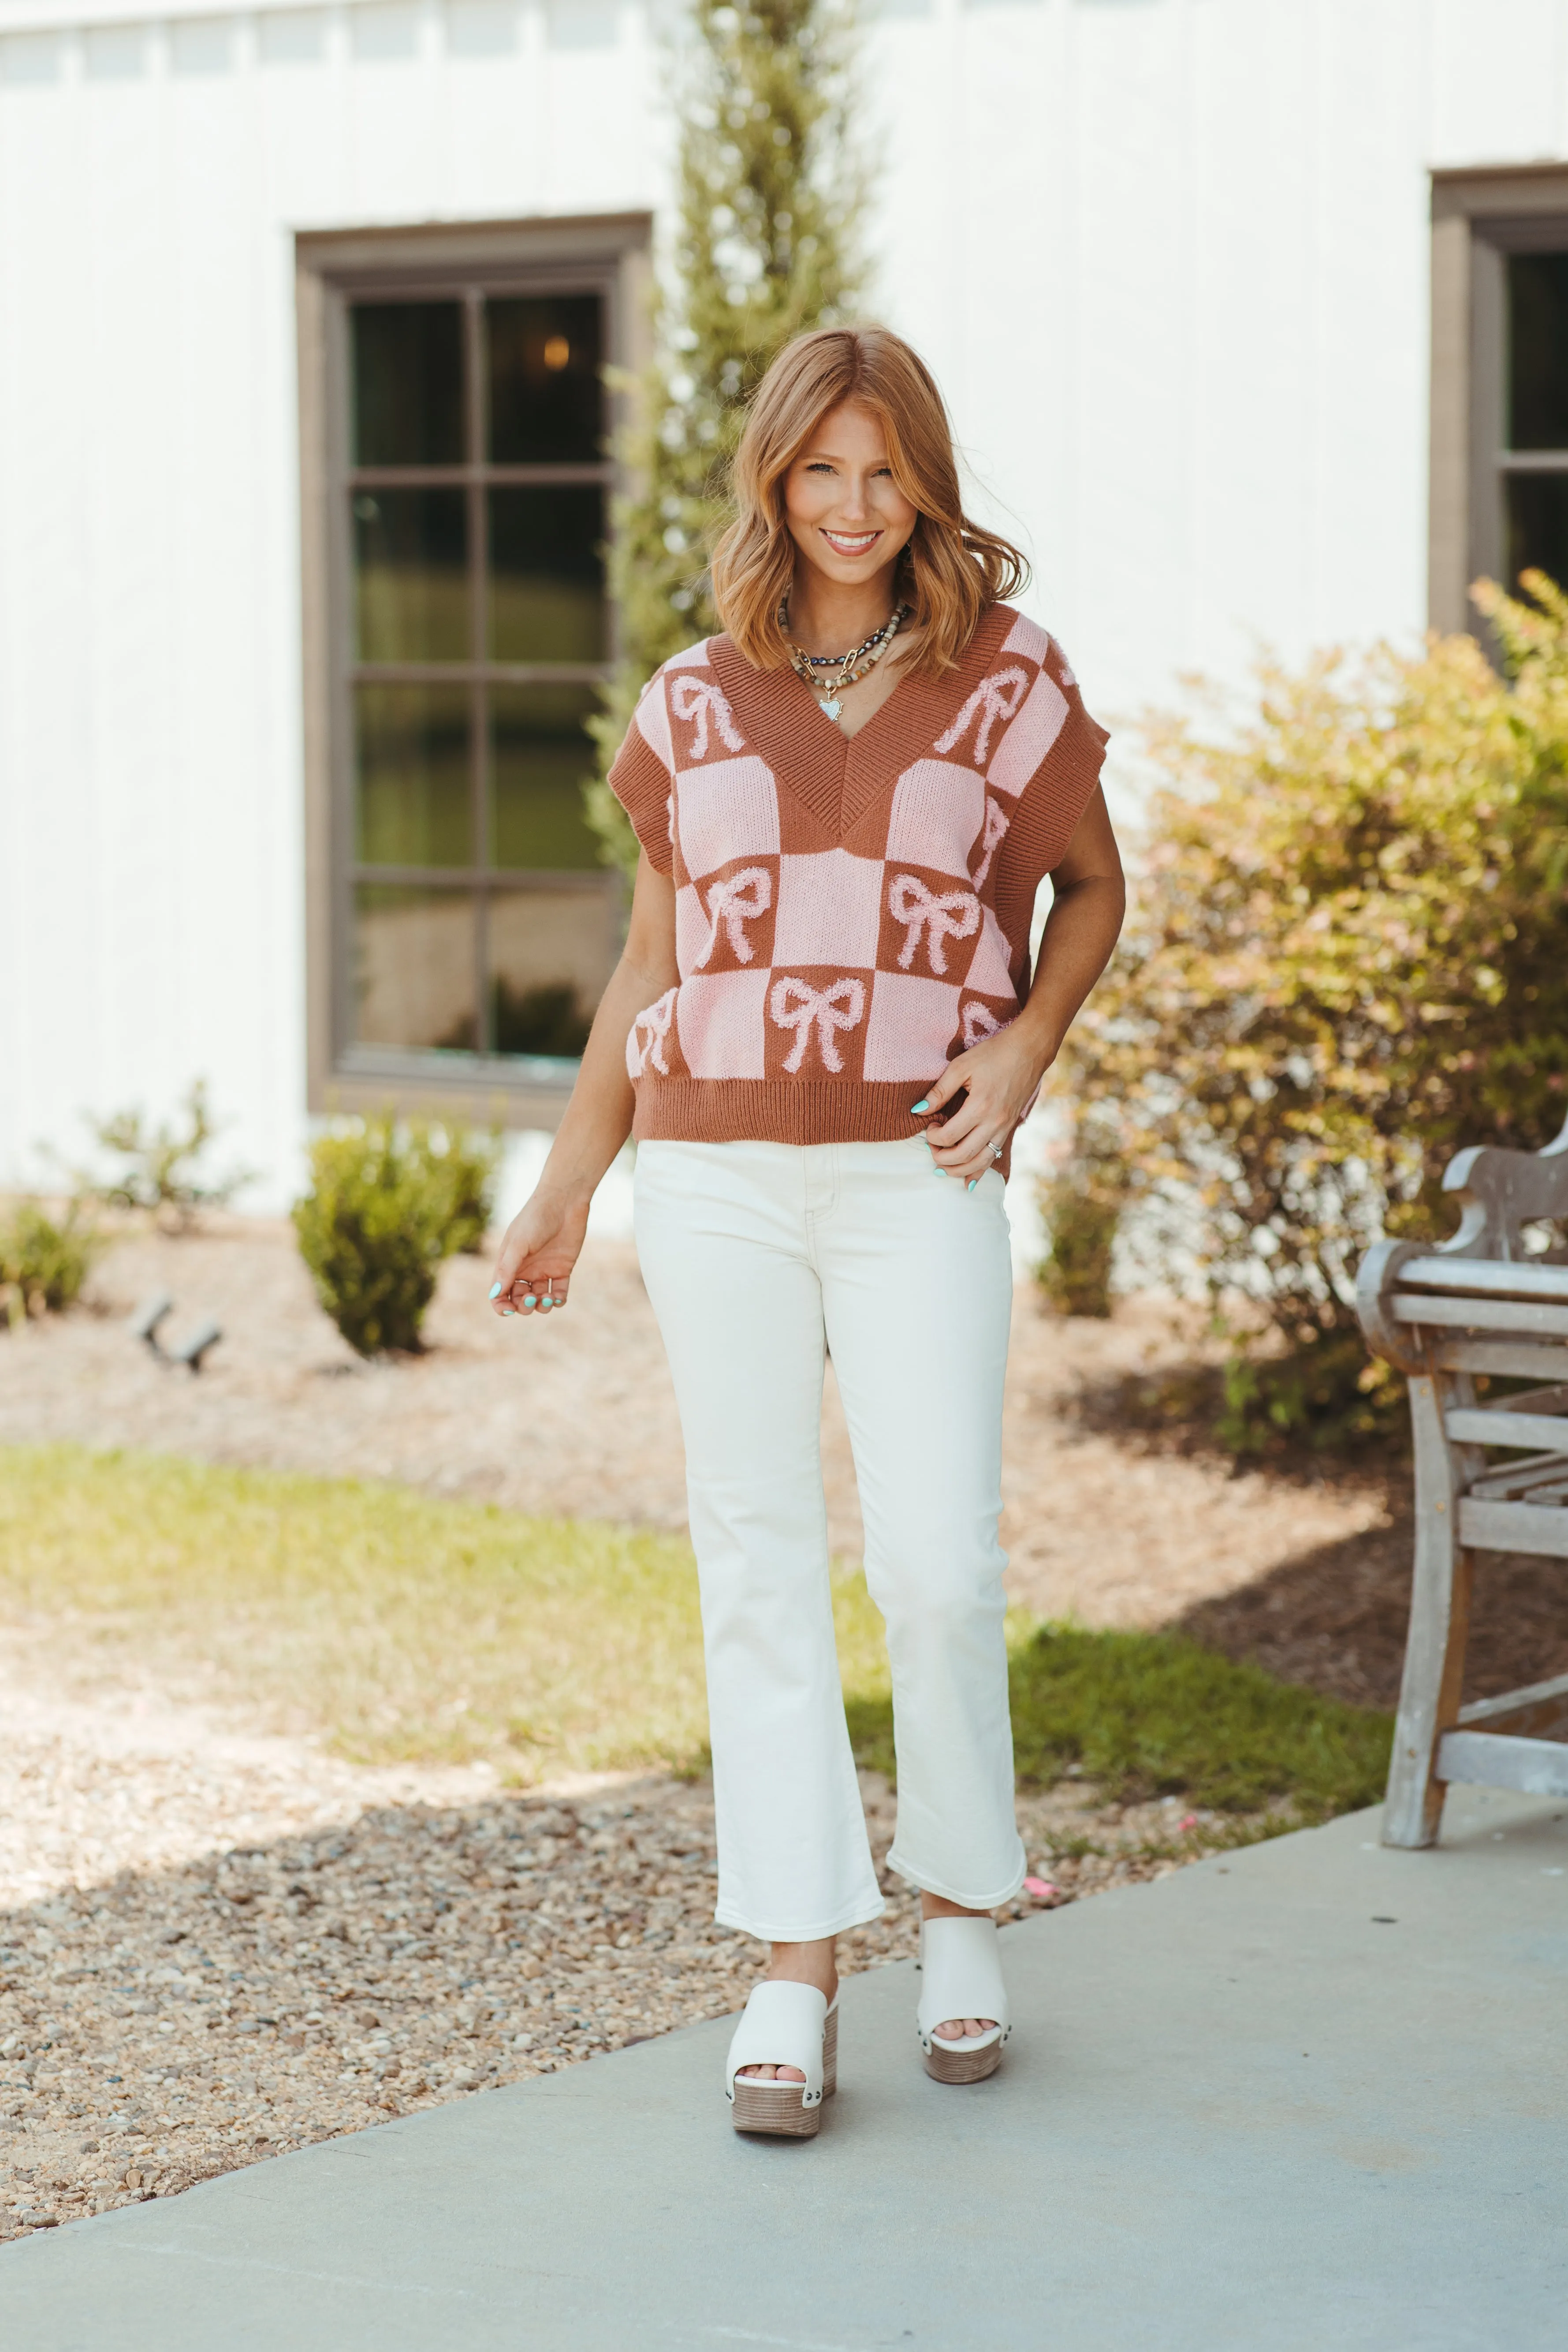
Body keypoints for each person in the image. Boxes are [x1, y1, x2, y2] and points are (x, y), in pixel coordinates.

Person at [488, 325, 1124, 2138]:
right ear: (773, 480)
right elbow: (647, 962)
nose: (853, 506)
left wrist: (1018, 1050)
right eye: (820, 471)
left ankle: (962, 1905)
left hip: (915, 1172)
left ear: (923, 479)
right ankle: (793, 1954)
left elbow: (1094, 886)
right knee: (754, 1552)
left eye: (884, 470)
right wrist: (565, 1184)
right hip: (718, 1172)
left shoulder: (1008, 679)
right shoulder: (693, 699)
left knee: (937, 1557)